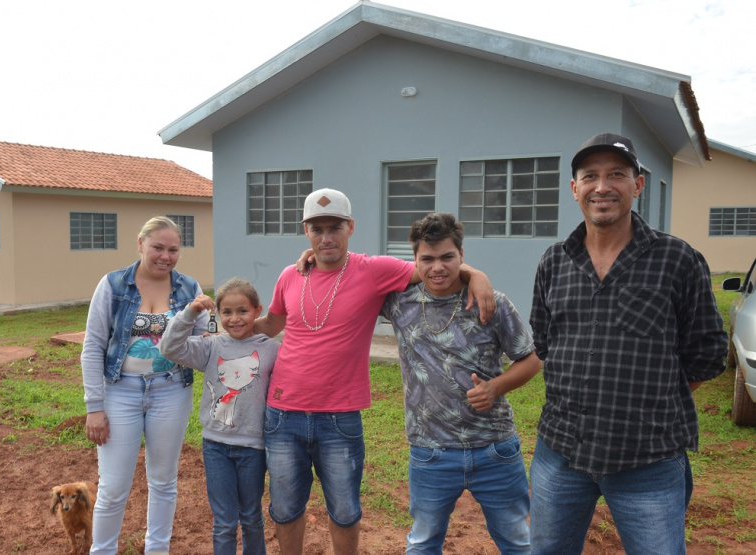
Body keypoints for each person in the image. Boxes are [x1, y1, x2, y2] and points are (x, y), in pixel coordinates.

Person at [252, 188, 496, 555]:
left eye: (334, 227)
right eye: (316, 230)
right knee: (285, 509)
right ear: (306, 232)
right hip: (282, 413)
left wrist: (475, 273)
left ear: (351, 227)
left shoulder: (374, 270)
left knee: (346, 511)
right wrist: (224, 330)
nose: (326, 237)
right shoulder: (291, 274)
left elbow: (431, 266)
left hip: (339, 417)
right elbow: (271, 325)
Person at [528, 133, 728, 554]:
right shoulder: (553, 261)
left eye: (616, 175)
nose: (602, 187)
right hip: (560, 452)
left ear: (636, 185)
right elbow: (545, 342)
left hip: (648, 459)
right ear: (575, 189)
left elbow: (708, 352)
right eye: (590, 176)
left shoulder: (678, 260)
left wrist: (647, 403)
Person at [380, 212, 541, 554]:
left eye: (447, 258)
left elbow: (531, 359)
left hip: (494, 448)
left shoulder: (490, 303)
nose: (438, 267)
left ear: (461, 255)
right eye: (428, 259)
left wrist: (495, 387)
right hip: (430, 452)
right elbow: (353, 276)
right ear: (415, 260)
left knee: (517, 542)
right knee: (423, 543)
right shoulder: (398, 302)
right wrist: (313, 256)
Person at [81, 216, 209, 555]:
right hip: (120, 392)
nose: (165, 256)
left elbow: (204, 345)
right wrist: (95, 407)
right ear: (140, 244)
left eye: (173, 249)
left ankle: (157, 550)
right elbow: (93, 346)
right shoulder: (112, 285)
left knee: (164, 481)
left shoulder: (189, 289)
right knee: (113, 486)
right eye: (157, 247)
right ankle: (103, 550)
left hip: (171, 390)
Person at [160, 278, 279, 555]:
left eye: (242, 311)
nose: (235, 319)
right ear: (218, 315)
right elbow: (169, 348)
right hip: (216, 447)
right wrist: (189, 313)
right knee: (224, 522)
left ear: (257, 310)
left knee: (251, 517)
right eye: (227, 312)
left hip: (253, 448)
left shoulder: (271, 348)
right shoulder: (211, 346)